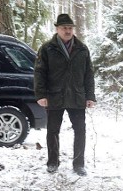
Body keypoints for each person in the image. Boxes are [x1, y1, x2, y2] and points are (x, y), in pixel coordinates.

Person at [34, 13, 96, 176]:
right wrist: (41, 95)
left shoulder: (82, 49)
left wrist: (90, 96)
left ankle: (79, 164)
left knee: (80, 130)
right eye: (64, 28)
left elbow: (89, 74)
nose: (67, 31)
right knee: (53, 130)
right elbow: (39, 73)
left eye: (70, 28)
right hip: (54, 95)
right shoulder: (47, 48)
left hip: (77, 96)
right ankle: (53, 162)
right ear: (57, 29)